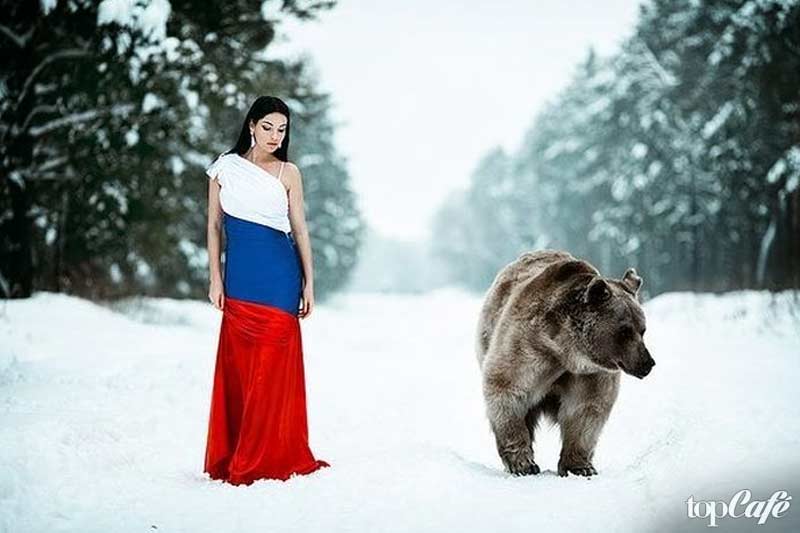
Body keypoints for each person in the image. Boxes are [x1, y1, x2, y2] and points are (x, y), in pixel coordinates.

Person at [203, 95, 329, 485]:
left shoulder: (288, 172)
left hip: (280, 277)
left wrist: (309, 282)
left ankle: (268, 455)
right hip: (239, 278)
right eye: (269, 127)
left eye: (282, 129)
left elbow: (301, 228)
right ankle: (239, 451)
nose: (276, 136)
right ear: (252, 125)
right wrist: (214, 278)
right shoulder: (224, 168)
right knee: (241, 369)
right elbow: (213, 227)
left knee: (272, 370)